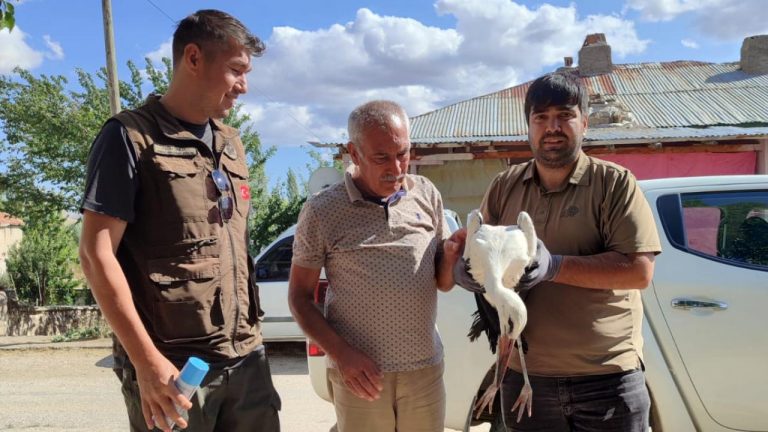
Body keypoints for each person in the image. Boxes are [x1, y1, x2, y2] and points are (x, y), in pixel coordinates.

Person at [79, 10, 280, 432]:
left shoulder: (230, 142)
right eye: (236, 70)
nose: (244, 85)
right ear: (193, 58)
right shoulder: (129, 137)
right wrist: (146, 362)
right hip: (173, 368)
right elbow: (97, 255)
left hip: (246, 359)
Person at [455, 72, 661, 431]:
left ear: (584, 121)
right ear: (529, 127)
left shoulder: (615, 184)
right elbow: (474, 246)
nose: (552, 127)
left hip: (606, 377)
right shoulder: (505, 185)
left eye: (564, 115)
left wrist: (556, 266)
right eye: (540, 117)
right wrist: (468, 270)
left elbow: (638, 271)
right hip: (527, 378)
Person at [288, 100, 464, 432]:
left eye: (403, 154)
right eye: (381, 157)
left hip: (424, 371)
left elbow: (441, 282)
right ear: (353, 153)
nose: (396, 168)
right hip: (360, 377)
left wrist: (451, 255)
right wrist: (342, 355)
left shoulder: (426, 194)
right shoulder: (323, 210)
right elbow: (298, 298)